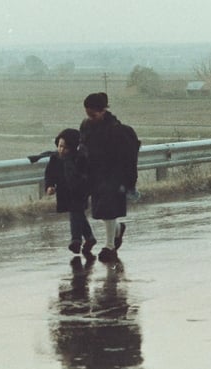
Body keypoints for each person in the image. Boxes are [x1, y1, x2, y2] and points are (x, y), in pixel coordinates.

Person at [79, 92, 140, 263]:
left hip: (113, 176)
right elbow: (82, 147)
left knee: (108, 208)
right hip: (95, 174)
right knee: (99, 211)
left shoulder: (116, 130)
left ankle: (109, 246)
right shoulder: (86, 126)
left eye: (93, 113)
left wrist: (128, 180)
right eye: (88, 113)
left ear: (103, 110)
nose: (90, 117)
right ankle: (118, 230)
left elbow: (126, 156)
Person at [44, 128, 97, 257]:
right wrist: (50, 186)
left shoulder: (80, 158)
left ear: (73, 148)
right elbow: (49, 174)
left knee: (75, 211)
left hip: (80, 191)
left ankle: (76, 240)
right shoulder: (55, 158)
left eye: (65, 148)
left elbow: (86, 174)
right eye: (60, 146)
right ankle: (89, 238)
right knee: (78, 213)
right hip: (64, 192)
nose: (61, 150)